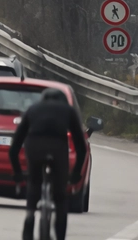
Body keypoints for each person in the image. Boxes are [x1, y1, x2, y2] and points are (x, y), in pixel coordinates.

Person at [8, 87, 87, 240]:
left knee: (35, 181)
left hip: (35, 146)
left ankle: (30, 217)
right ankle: (60, 234)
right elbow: (80, 146)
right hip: (58, 148)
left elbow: (15, 146)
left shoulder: (33, 109)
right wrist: (76, 173)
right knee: (60, 196)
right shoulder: (68, 110)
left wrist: (17, 173)